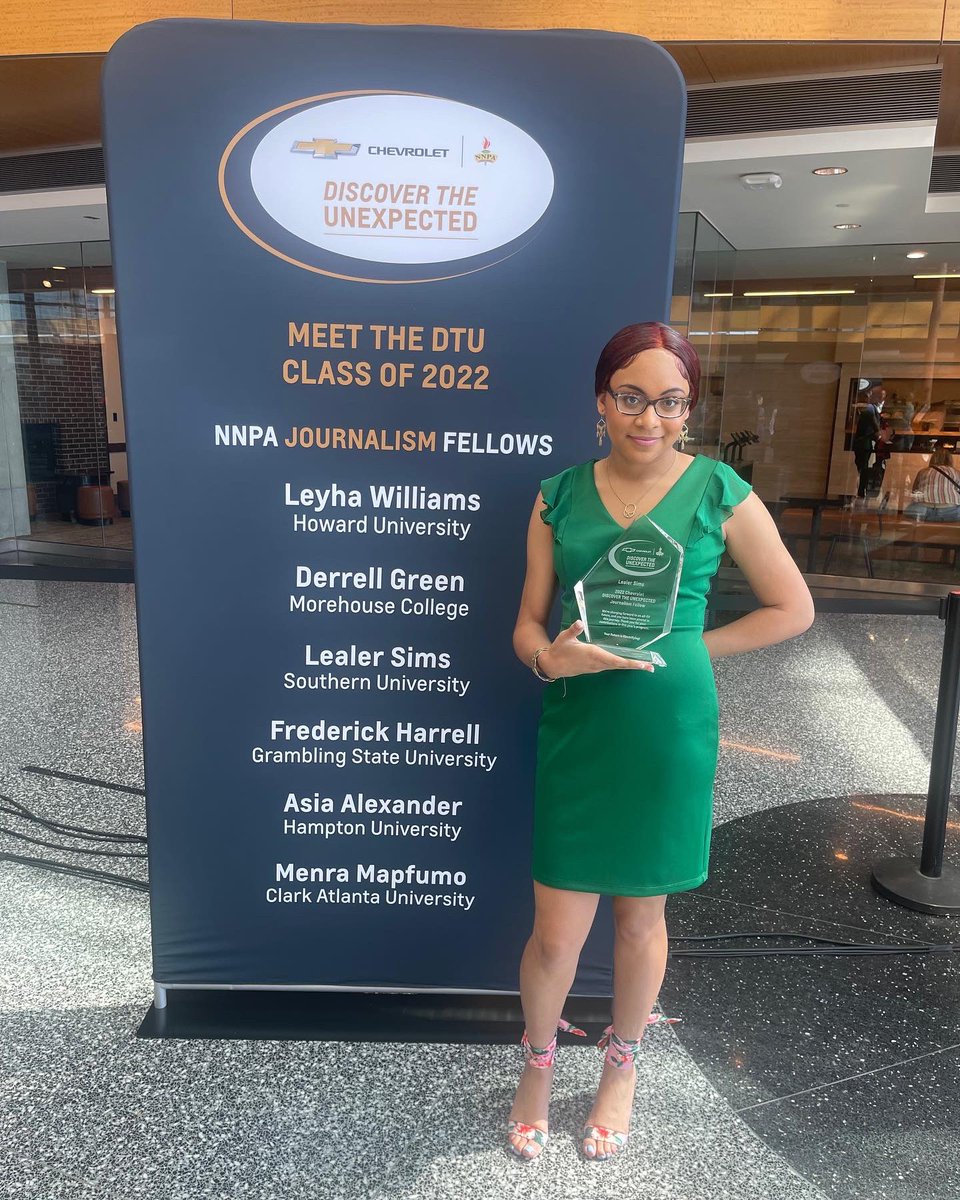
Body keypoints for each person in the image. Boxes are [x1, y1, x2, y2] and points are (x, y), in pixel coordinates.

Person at [507, 322, 814, 1164]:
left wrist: (686, 649)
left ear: (688, 408)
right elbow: (527, 623)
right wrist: (548, 657)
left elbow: (794, 609)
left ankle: (622, 1066)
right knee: (556, 934)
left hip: (668, 728)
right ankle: (536, 1065)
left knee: (644, 920)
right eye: (632, 398)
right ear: (602, 401)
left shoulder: (720, 490)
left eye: (670, 401)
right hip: (580, 723)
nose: (650, 418)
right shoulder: (557, 495)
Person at [905, 446, 960, 521]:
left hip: (922, 510)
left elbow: (914, 492)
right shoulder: (956, 472)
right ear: (950, 460)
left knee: (909, 510)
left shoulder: (923, 471)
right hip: (950, 511)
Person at [852, 383, 886, 498]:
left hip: (863, 442)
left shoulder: (871, 408)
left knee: (862, 466)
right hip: (864, 443)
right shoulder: (870, 408)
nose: (882, 399)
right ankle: (862, 490)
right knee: (863, 467)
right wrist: (880, 436)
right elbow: (874, 425)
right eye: (880, 396)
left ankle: (862, 490)